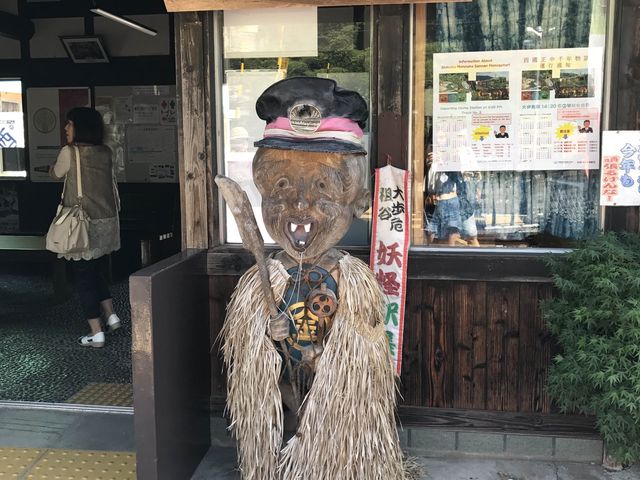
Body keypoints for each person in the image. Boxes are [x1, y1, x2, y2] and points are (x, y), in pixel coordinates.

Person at [221, 77, 408, 479]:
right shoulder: (263, 280)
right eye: (283, 185)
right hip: (285, 392)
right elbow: (248, 363)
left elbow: (363, 353)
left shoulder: (351, 279)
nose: (300, 204)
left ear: (357, 200)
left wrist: (323, 357)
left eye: (322, 186)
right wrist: (264, 335)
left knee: (327, 442)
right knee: (285, 426)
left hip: (331, 409)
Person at [49, 107, 121, 348]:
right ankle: (111, 316)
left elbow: (56, 173)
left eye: (69, 124)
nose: (66, 129)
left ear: (80, 127)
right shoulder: (105, 152)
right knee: (95, 271)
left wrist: (50, 167)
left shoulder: (70, 153)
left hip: (82, 225)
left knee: (82, 278)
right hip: (107, 222)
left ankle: (96, 332)